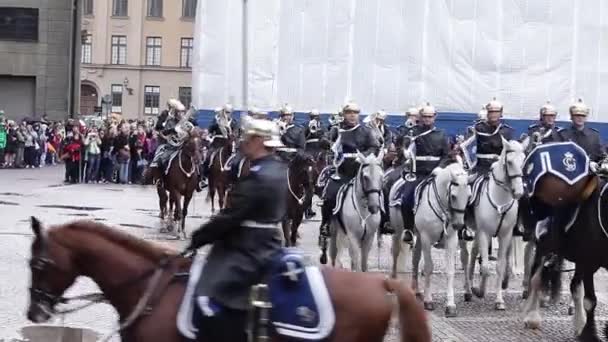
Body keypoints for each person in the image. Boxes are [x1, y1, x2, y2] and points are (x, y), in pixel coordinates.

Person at [186, 116, 287, 342]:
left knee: (208, 297)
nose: (243, 142)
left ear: (259, 141)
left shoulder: (259, 177)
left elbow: (230, 217)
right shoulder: (278, 168)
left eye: (248, 138)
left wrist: (198, 238)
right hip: (267, 239)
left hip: (250, 248)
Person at [536, 99, 605, 270]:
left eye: (582, 116)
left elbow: (601, 154)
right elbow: (556, 155)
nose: (579, 118)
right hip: (569, 181)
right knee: (560, 209)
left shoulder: (594, 135)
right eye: (576, 115)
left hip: (591, 180)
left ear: (586, 117)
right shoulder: (564, 135)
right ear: (572, 117)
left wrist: (602, 162)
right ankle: (554, 250)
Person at [318, 102, 381, 262]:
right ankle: (326, 224)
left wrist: (364, 156)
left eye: (355, 112)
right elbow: (325, 139)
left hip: (361, 171)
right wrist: (327, 142)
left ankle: (384, 221)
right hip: (343, 171)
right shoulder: (336, 129)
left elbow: (374, 146)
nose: (352, 115)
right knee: (329, 194)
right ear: (344, 114)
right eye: (349, 112)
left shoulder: (366, 131)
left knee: (380, 188)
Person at [397, 103, 450, 243]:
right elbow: (401, 144)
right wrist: (406, 131)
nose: (427, 119)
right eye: (425, 116)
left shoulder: (441, 134)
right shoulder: (413, 132)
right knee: (406, 199)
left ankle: (450, 229)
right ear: (420, 117)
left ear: (434, 117)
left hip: (436, 174)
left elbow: (446, 155)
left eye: (430, 116)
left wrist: (440, 167)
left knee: (453, 197)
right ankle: (408, 229)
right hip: (418, 172)